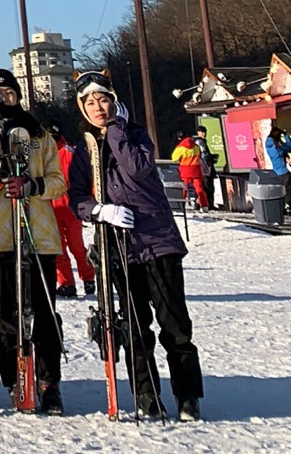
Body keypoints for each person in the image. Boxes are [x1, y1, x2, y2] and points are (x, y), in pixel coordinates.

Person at [68, 70, 204, 421]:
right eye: (89, 102)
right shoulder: (84, 152)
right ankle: (146, 395)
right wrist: (100, 210)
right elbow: (77, 198)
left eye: (103, 100)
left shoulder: (136, 135)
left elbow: (138, 168)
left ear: (115, 102)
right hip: (119, 248)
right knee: (134, 328)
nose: (98, 107)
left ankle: (188, 395)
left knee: (175, 325)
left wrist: (116, 130)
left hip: (158, 241)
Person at [0, 69, 65, 415]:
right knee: (6, 314)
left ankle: (48, 381)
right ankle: (15, 379)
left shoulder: (41, 135)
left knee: (42, 312)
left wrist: (35, 187)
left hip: (38, 234)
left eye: (9, 93)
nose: (3, 99)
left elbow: (58, 180)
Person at [45, 119, 95, 299]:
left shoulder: (47, 154)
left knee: (60, 248)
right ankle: (88, 279)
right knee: (76, 246)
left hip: (55, 206)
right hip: (71, 207)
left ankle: (67, 284)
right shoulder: (69, 151)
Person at [171, 134, 209, 211]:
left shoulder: (180, 148)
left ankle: (181, 206)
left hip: (185, 170)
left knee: (184, 189)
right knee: (199, 189)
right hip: (196, 170)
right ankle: (204, 206)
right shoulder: (196, 147)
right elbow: (200, 156)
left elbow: (174, 158)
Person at [193, 128, 219, 209]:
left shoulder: (199, 142)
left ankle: (202, 204)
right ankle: (207, 204)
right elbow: (204, 155)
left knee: (204, 186)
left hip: (204, 168)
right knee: (207, 187)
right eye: (202, 132)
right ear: (198, 132)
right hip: (204, 168)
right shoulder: (200, 142)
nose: (204, 134)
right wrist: (211, 157)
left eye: (204, 132)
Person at [267, 125, 291, 200]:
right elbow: (289, 147)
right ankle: (288, 206)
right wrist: (286, 135)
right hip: (284, 172)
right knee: (288, 191)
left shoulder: (268, 145)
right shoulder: (278, 146)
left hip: (276, 173)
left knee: (280, 192)